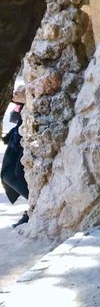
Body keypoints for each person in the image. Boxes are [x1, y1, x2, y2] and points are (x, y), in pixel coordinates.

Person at [1, 86, 29, 228]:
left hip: (26, 140)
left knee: (15, 174)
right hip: (18, 139)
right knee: (8, 175)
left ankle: (33, 207)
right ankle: (33, 205)